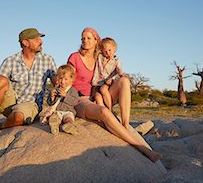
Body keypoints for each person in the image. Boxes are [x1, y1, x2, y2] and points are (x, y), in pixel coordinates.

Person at [67, 27, 162, 163]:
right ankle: (141, 148)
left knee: (124, 81)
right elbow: (66, 76)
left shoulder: (101, 58)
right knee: (104, 112)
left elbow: (113, 70)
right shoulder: (75, 57)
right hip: (81, 99)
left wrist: (113, 78)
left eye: (88, 38)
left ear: (96, 40)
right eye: (82, 38)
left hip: (100, 93)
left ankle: (125, 124)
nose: (85, 41)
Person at [0, 28, 57, 142]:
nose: (41, 41)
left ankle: (0, 127)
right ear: (25, 42)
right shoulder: (10, 61)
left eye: (40, 38)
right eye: (36, 39)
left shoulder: (48, 60)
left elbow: (58, 85)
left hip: (30, 105)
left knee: (18, 117)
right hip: (11, 102)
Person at [41, 64, 80, 135]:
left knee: (68, 118)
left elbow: (74, 102)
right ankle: (55, 126)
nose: (63, 81)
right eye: (60, 78)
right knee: (55, 118)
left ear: (71, 79)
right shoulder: (56, 89)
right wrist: (52, 97)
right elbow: (50, 103)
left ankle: (69, 125)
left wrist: (65, 96)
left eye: (66, 79)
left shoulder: (72, 90)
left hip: (68, 111)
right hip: (57, 111)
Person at [92, 37, 123, 111]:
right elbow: (96, 48)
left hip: (108, 82)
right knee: (97, 97)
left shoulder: (116, 61)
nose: (107, 53)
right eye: (105, 51)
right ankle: (104, 113)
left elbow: (118, 69)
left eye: (110, 50)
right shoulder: (100, 57)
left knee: (103, 89)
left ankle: (110, 109)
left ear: (114, 49)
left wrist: (120, 74)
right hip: (97, 83)